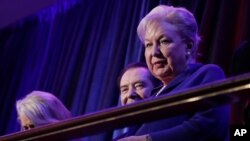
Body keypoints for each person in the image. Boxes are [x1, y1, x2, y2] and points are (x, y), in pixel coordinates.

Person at [118, 5, 229, 141]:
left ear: (188, 45)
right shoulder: (153, 95)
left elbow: (210, 124)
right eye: (148, 45)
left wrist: (148, 140)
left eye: (164, 41)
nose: (154, 52)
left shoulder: (206, 74)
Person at [113, 62, 161, 140]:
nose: (130, 94)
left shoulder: (167, 131)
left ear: (157, 89)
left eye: (139, 86)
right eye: (125, 90)